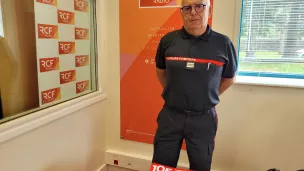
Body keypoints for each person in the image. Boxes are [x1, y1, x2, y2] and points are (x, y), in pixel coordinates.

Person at [152, 0, 238, 170]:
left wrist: (207, 96)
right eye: (187, 8)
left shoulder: (223, 43)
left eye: (199, 6)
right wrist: (173, 93)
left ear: (209, 10)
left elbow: (229, 78)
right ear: (181, 12)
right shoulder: (168, 41)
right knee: (161, 166)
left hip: (203, 118)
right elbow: (160, 71)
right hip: (171, 115)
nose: (193, 12)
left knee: (201, 166)